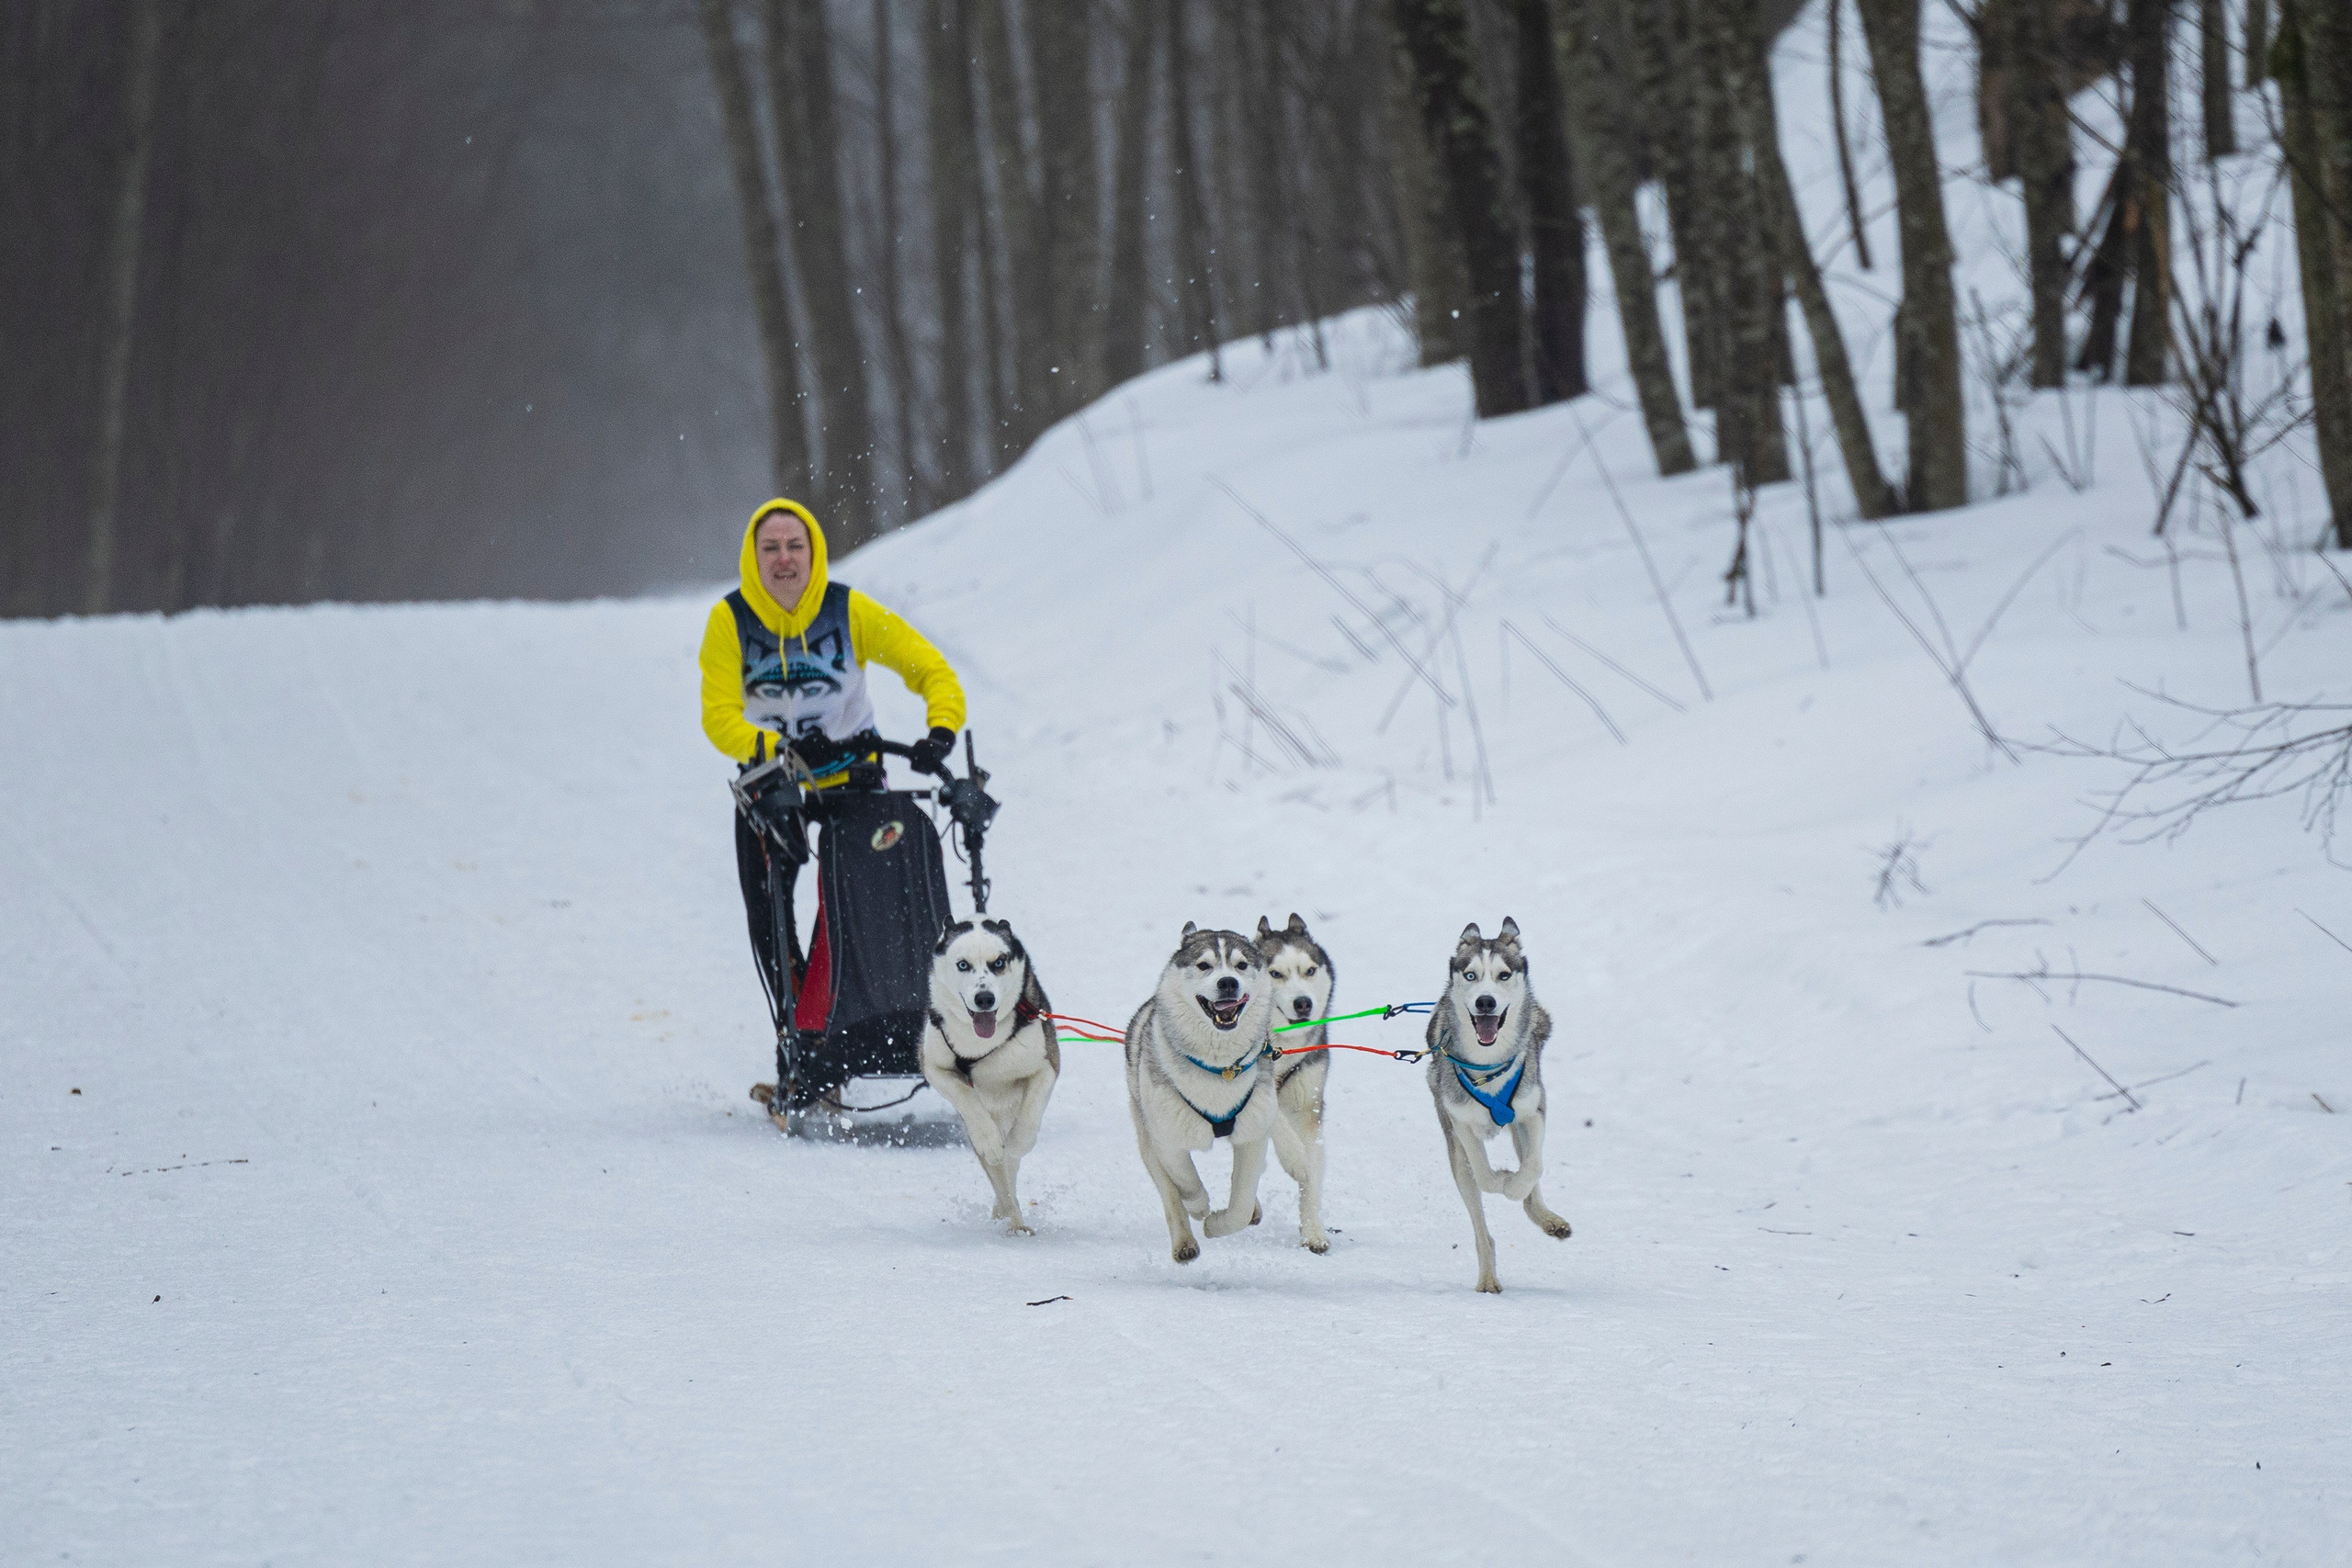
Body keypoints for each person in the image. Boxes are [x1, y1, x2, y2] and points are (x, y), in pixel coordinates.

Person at [699, 498, 965, 1072]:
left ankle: (835, 1030)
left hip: (852, 775)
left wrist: (941, 728)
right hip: (772, 784)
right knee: (768, 916)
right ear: (753, 557)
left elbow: (930, 668)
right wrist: (781, 750)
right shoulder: (730, 621)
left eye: (795, 546)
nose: (784, 559)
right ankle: (797, 1039)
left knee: (853, 903)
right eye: (771, 548)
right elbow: (719, 717)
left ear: (814, 553)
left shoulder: (850, 611)